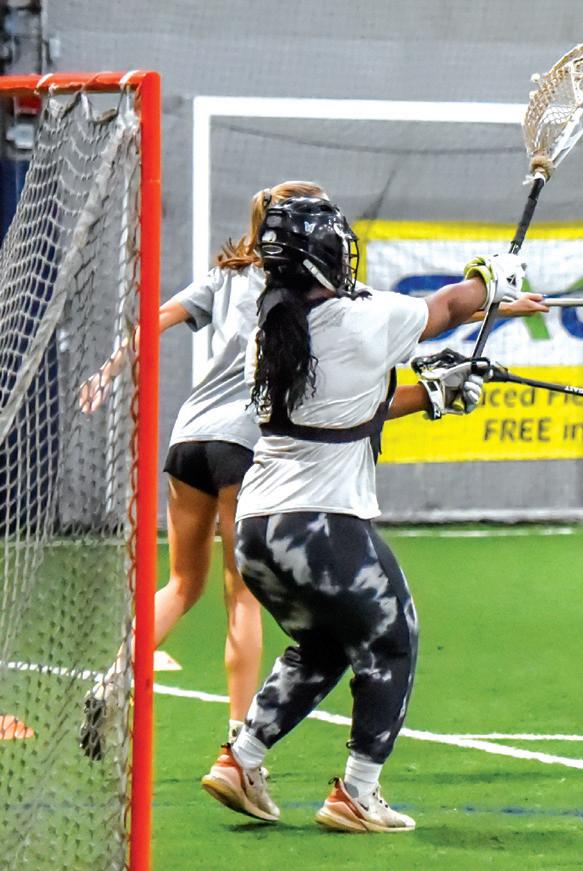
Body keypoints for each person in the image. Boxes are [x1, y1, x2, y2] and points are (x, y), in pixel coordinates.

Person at [198, 195, 525, 832]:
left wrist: (433, 391)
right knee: (393, 638)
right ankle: (358, 792)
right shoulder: (363, 318)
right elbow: (447, 308)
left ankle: (242, 759)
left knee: (324, 645)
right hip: (321, 522)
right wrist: (491, 279)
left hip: (257, 528)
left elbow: (348, 410)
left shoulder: (270, 327)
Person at [78, 180, 327, 756]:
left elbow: (156, 319)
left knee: (180, 584)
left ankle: (111, 682)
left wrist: (107, 372)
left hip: (189, 439)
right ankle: (239, 741)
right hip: (244, 444)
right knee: (242, 594)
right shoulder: (309, 284)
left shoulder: (225, 276)